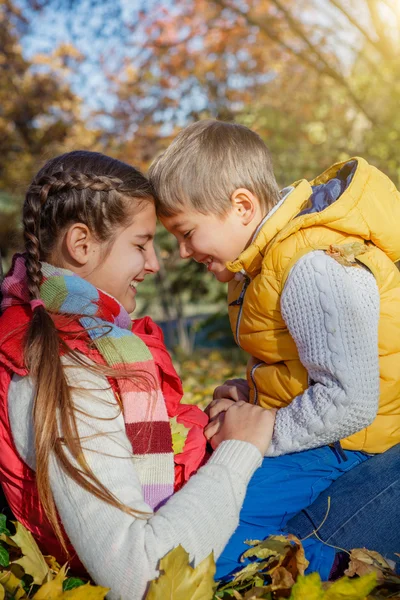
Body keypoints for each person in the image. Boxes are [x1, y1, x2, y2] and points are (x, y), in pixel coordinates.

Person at [0, 150, 275, 600]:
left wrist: (211, 430)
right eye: (140, 244)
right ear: (82, 244)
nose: (155, 264)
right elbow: (138, 573)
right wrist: (238, 453)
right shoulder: (60, 369)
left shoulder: (91, 339)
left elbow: (131, 452)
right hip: (214, 550)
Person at [148, 119, 400, 580]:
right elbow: (296, 364)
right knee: (203, 507)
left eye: (187, 233)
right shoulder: (265, 264)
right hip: (322, 433)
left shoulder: (310, 266)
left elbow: (351, 401)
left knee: (208, 547)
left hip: (346, 442)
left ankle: (355, 573)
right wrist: (249, 392)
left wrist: (255, 438)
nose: (182, 252)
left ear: (241, 206)